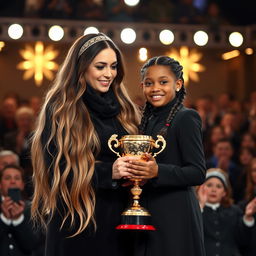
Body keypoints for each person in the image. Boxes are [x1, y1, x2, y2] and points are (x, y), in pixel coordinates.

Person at [30, 32, 140, 256]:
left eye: (113, 66)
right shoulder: (61, 109)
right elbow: (56, 171)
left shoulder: (124, 107)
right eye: (100, 66)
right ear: (81, 68)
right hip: (76, 225)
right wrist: (109, 171)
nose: (109, 74)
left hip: (119, 226)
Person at [119, 56, 206, 255]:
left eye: (163, 82)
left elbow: (198, 172)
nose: (155, 88)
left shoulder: (187, 117)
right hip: (148, 210)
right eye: (149, 83)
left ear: (178, 84)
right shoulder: (145, 121)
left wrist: (158, 171)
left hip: (176, 214)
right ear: (142, 86)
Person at [197, 168, 256, 256]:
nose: (214, 190)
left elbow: (243, 240)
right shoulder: (196, 210)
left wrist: (247, 217)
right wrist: (200, 206)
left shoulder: (235, 211)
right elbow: (191, 235)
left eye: (218, 186)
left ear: (224, 192)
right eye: (209, 185)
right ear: (201, 188)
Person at [0, 164, 41, 256]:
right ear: (0, 184)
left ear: (22, 185)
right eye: (7, 178)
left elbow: (33, 245)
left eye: (17, 178)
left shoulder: (33, 210)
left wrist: (18, 220)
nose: (13, 181)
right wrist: (4, 219)